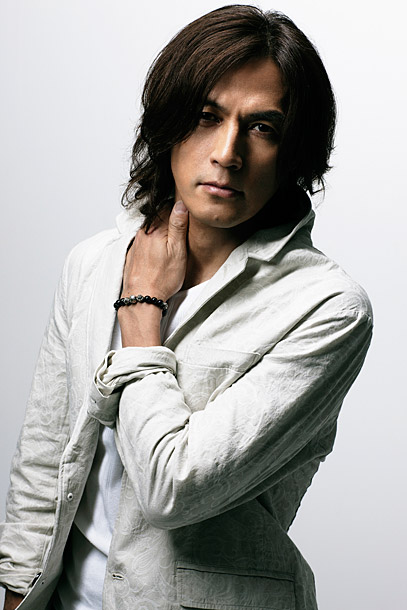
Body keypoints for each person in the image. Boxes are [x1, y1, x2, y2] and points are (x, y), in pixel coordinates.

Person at [0, 5, 373, 610]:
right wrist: (18, 590)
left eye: (263, 127)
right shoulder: (92, 264)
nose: (228, 152)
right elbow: (47, 456)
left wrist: (143, 313)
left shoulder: (326, 309)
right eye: (206, 117)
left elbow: (175, 488)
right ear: (169, 126)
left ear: (293, 152)